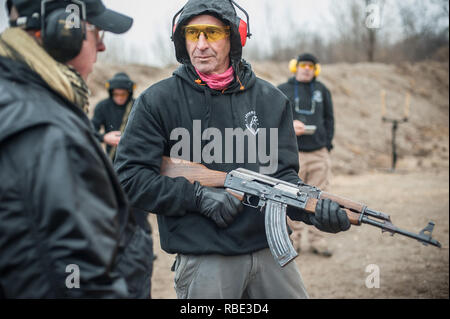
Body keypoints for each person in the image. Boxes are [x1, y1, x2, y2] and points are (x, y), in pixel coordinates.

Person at [114, 0, 350, 299]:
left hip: (270, 254)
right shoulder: (157, 101)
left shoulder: (271, 100)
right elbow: (129, 179)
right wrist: (197, 197)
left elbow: (283, 178)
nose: (200, 45)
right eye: (192, 33)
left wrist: (313, 210)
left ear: (234, 37)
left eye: (211, 33)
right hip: (205, 257)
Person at [0, 0, 153, 298]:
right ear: (64, 31)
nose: (101, 47)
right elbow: (77, 281)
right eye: (97, 32)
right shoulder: (46, 131)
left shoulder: (18, 102)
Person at [278, 53, 335, 256]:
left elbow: (329, 119)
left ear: (315, 69)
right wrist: (289, 127)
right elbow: (273, 119)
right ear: (295, 67)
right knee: (290, 197)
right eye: (303, 65)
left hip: (319, 153)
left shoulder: (322, 90)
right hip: (293, 154)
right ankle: (290, 240)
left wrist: (326, 145)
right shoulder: (282, 89)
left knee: (319, 199)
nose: (307, 69)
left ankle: (317, 241)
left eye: (311, 65)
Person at [92, 72, 136, 160]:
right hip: (112, 158)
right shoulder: (102, 106)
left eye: (123, 94)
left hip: (135, 156)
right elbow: (90, 129)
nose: (120, 97)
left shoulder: (137, 105)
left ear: (129, 93)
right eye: (116, 94)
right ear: (111, 93)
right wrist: (104, 138)